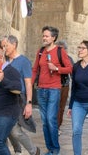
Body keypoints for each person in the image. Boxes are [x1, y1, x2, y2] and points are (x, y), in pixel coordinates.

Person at [32, 26, 72, 155]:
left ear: (53, 38)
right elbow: (34, 70)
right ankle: (50, 149)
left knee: (50, 119)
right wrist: (29, 85)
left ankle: (55, 149)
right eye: (43, 35)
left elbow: (70, 68)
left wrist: (56, 69)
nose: (44, 38)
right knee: (44, 122)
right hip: (41, 89)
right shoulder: (40, 51)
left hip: (54, 89)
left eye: (47, 36)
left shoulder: (60, 51)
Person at [2, 35, 40, 155]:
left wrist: (29, 104)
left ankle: (34, 151)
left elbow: (28, 84)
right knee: (7, 129)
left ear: (14, 45)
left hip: (18, 100)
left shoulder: (23, 61)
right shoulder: (5, 61)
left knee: (15, 131)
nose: (4, 49)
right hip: (4, 100)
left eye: (5, 46)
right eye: (2, 46)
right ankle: (17, 151)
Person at [55, 40, 74, 136]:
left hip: (65, 85)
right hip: (54, 85)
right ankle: (53, 126)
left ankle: (57, 126)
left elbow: (72, 73)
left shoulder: (69, 59)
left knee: (61, 107)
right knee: (53, 107)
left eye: (63, 49)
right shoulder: (53, 57)